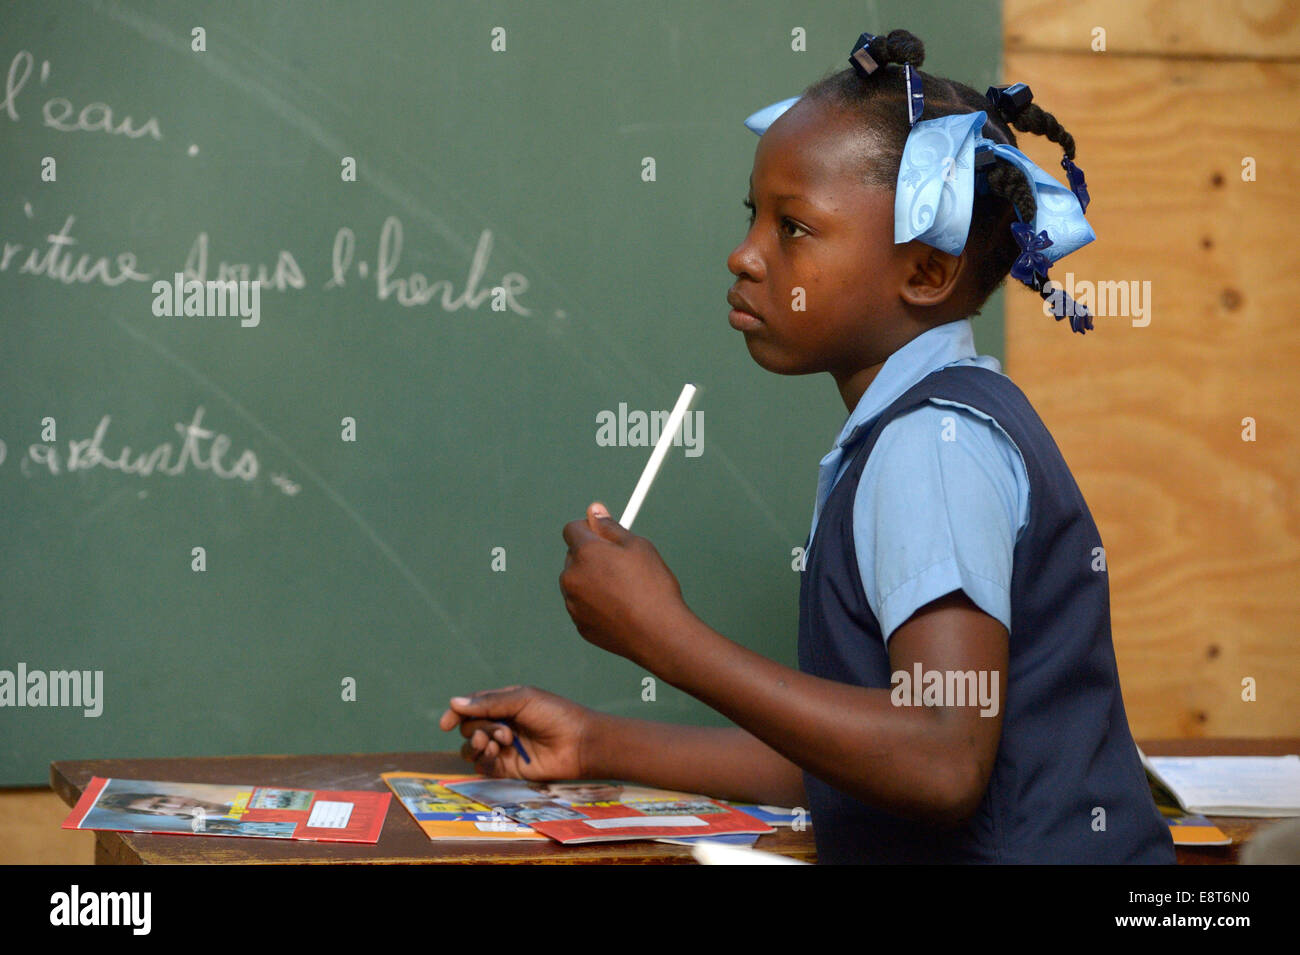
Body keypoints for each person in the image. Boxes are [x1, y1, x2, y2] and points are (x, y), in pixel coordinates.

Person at [440, 28, 1175, 864]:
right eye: (752, 215)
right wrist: (599, 742)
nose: (745, 253)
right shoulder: (919, 427)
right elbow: (863, 758)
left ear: (927, 273)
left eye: (793, 227)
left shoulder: (930, 448)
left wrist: (669, 639)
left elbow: (940, 758)